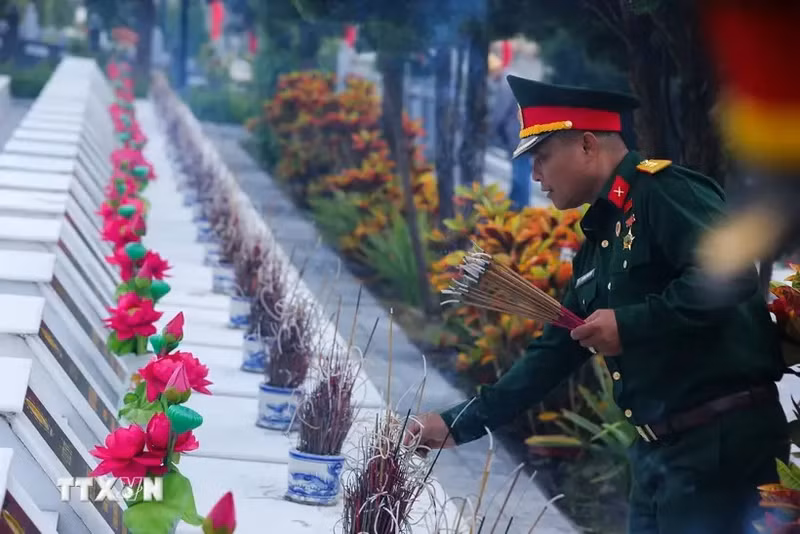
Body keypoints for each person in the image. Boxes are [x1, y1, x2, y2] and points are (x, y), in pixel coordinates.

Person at [408, 75, 790, 534]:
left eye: (542, 157)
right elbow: (553, 353)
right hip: (658, 451)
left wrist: (629, 325)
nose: (535, 176)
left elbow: (730, 275)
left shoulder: (664, 193)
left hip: (721, 444)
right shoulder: (597, 243)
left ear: (587, 145)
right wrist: (455, 425)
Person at [488, 54, 532, 210]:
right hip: (521, 133)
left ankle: (522, 205)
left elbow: (500, 112)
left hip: (518, 136)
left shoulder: (506, 85)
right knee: (520, 170)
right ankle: (514, 202)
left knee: (520, 172)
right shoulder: (510, 78)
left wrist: (489, 132)